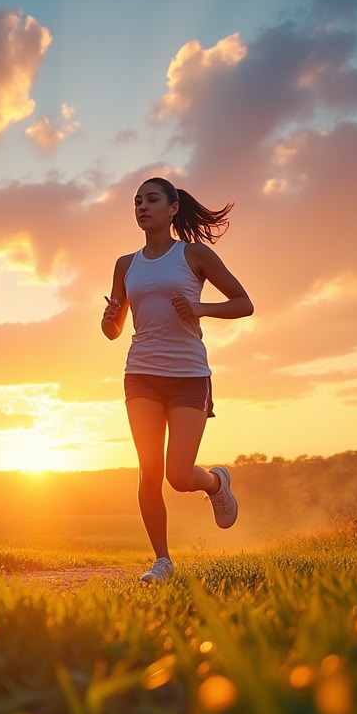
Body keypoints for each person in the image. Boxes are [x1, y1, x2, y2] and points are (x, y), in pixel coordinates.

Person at [100, 177, 254, 583]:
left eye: (152, 200)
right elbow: (114, 329)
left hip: (188, 376)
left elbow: (244, 303)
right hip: (141, 375)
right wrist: (107, 319)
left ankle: (216, 482)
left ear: (172, 209)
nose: (142, 207)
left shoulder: (194, 255)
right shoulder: (125, 264)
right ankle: (162, 561)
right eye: (137, 201)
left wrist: (199, 308)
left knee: (179, 476)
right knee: (148, 471)